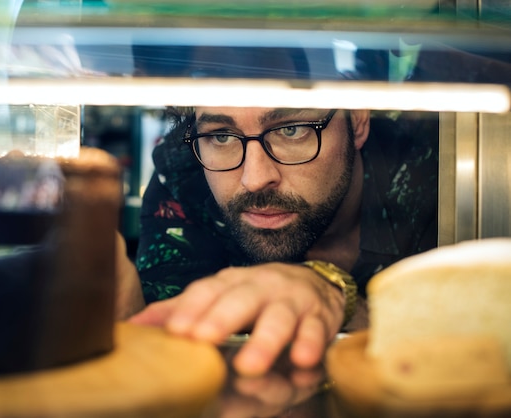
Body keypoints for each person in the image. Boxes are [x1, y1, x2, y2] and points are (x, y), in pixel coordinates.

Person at [129, 102, 438, 376]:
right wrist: (126, 314)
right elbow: (171, 359)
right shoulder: (185, 172)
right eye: (221, 136)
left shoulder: (441, 178)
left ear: (357, 120)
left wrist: (342, 302)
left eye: (291, 130)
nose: (255, 179)